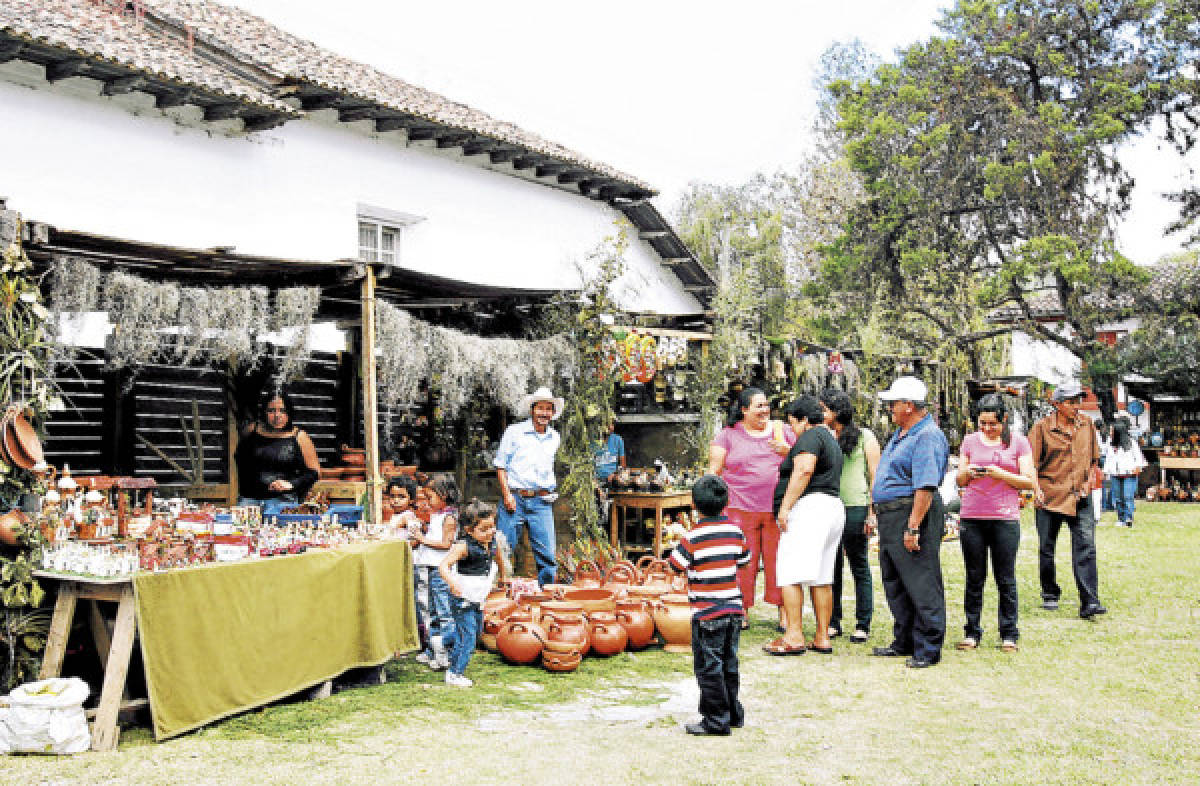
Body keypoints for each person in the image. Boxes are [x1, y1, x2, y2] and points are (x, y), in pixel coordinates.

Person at [869, 376, 949, 669]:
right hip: (893, 513)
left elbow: (925, 486)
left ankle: (928, 646)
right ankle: (904, 639)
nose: (890, 407)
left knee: (921, 579)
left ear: (908, 405)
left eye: (894, 402)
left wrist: (913, 526)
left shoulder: (926, 435)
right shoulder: (904, 433)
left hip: (911, 512)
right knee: (896, 580)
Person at [666, 474, 750, 736]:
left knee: (709, 668)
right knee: (729, 664)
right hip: (734, 611)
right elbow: (745, 560)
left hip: (707, 614)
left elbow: (674, 565)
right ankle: (733, 712)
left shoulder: (692, 538)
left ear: (694, 505)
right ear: (726, 502)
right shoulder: (735, 532)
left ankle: (715, 720)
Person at [955, 394, 1036, 653]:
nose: (988, 429)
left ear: (1004, 420)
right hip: (972, 516)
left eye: (993, 424)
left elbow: (1028, 480)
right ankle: (971, 631)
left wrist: (999, 473)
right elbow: (959, 479)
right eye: (983, 424)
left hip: (1005, 517)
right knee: (974, 577)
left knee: (1005, 578)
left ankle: (1009, 633)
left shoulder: (1018, 443)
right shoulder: (969, 442)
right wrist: (969, 472)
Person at [708, 387, 794, 630]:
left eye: (766, 405)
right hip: (738, 509)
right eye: (759, 406)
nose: (765, 410)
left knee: (779, 562)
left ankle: (784, 613)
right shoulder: (728, 435)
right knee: (744, 562)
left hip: (777, 510)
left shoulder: (783, 432)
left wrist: (788, 451)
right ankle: (741, 609)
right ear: (744, 409)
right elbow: (714, 470)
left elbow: (804, 458)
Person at [764, 395, 845, 655]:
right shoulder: (831, 438)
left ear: (805, 420)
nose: (793, 431)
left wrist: (785, 507)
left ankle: (794, 635)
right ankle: (822, 636)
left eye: (793, 424)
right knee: (821, 577)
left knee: (790, 573)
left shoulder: (810, 436)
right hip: (831, 507)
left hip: (810, 509)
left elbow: (804, 470)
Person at [1029, 383, 1106, 619]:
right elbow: (1030, 464)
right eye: (1070, 402)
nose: (1076, 407)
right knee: (1046, 548)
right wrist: (1035, 489)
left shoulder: (1088, 425)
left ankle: (1090, 601)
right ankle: (1050, 592)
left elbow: (1094, 459)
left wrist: (1088, 483)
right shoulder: (1042, 428)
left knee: (1086, 547)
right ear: (1057, 404)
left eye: (1078, 402)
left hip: (1080, 496)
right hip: (1050, 496)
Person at [819, 388, 880, 644]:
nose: (821, 414)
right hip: (830, 506)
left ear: (836, 411)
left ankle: (862, 623)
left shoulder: (865, 436)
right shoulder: (822, 437)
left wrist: (872, 512)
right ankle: (833, 621)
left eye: (824, 409)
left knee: (859, 565)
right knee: (831, 568)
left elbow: (875, 475)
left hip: (856, 507)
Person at [494, 386, 564, 587]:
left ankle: (546, 598)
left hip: (541, 501)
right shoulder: (515, 432)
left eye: (548, 409)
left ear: (553, 413)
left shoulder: (554, 438)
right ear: (532, 410)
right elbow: (501, 466)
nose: (544, 413)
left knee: (548, 555)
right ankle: (498, 597)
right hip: (514, 498)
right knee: (501, 550)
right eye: (540, 408)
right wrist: (507, 495)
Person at [439, 498, 506, 688]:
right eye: (483, 529)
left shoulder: (492, 542)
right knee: (468, 637)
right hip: (462, 598)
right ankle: (454, 673)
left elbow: (498, 558)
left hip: (478, 597)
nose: (489, 532)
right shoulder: (463, 546)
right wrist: (452, 583)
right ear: (469, 530)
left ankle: (441, 642)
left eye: (491, 527)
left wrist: (502, 577)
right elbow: (444, 566)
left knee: (474, 633)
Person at [235, 388, 320, 516]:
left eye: (282, 411)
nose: (277, 416)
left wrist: (291, 484)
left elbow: (315, 472)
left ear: (289, 413)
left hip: (282, 502)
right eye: (271, 411)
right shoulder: (252, 431)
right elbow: (239, 459)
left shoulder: (299, 436)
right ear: (264, 412)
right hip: (249, 500)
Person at [411, 473, 459, 670]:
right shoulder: (437, 515)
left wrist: (422, 539)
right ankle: (433, 649)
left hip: (441, 570)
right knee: (433, 612)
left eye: (430, 498)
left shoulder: (449, 518)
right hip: (432, 570)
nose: (428, 502)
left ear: (444, 495)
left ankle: (446, 651)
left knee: (444, 612)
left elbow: (446, 544)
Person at [1105, 418, 1147, 528]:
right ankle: (1120, 518)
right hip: (1115, 474)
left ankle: (1129, 518)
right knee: (1118, 497)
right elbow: (1108, 459)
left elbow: (1138, 457)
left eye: (1112, 431)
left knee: (1127, 496)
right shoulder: (1110, 444)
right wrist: (1106, 471)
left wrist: (1138, 467)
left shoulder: (1131, 443)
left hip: (1129, 474)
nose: (1110, 433)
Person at [593, 418, 626, 485]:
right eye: (607, 424)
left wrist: (615, 475)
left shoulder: (618, 440)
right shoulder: (593, 441)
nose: (610, 427)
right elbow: (588, 465)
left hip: (612, 479)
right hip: (595, 480)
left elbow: (623, 465)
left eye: (612, 424)